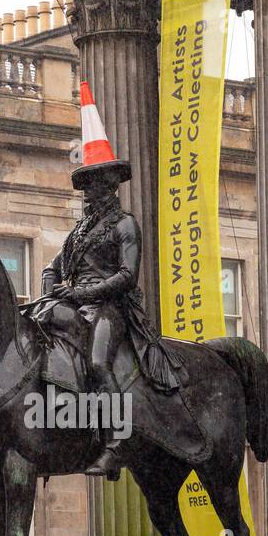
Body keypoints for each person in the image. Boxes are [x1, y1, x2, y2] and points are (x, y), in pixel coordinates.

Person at [34, 82, 182, 478]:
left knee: (99, 362)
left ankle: (116, 443)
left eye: (93, 183)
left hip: (109, 309)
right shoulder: (80, 231)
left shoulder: (124, 225)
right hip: (73, 306)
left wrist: (80, 291)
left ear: (110, 186)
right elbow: (53, 266)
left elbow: (127, 277)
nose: (86, 192)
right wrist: (51, 289)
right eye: (83, 184)